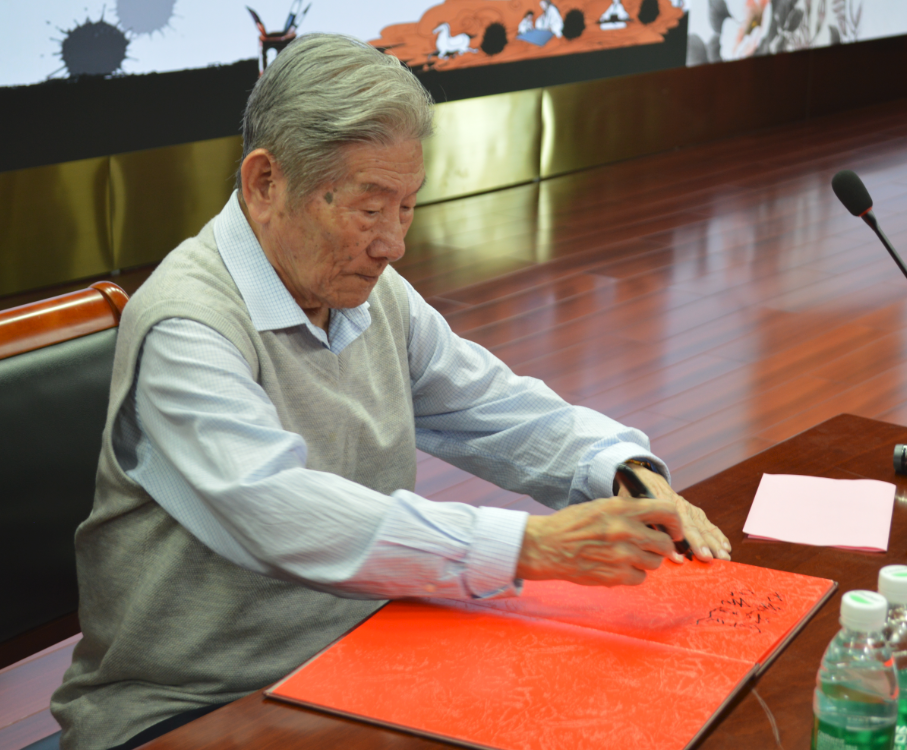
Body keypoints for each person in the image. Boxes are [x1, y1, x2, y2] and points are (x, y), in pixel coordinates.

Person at [51, 33, 730, 750]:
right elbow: (277, 512)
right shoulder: (187, 325)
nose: (393, 243)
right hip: (195, 706)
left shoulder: (374, 295)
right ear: (265, 183)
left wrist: (621, 467)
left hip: (361, 658)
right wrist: (530, 545)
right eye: (369, 208)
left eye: (407, 207)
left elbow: (493, 407)